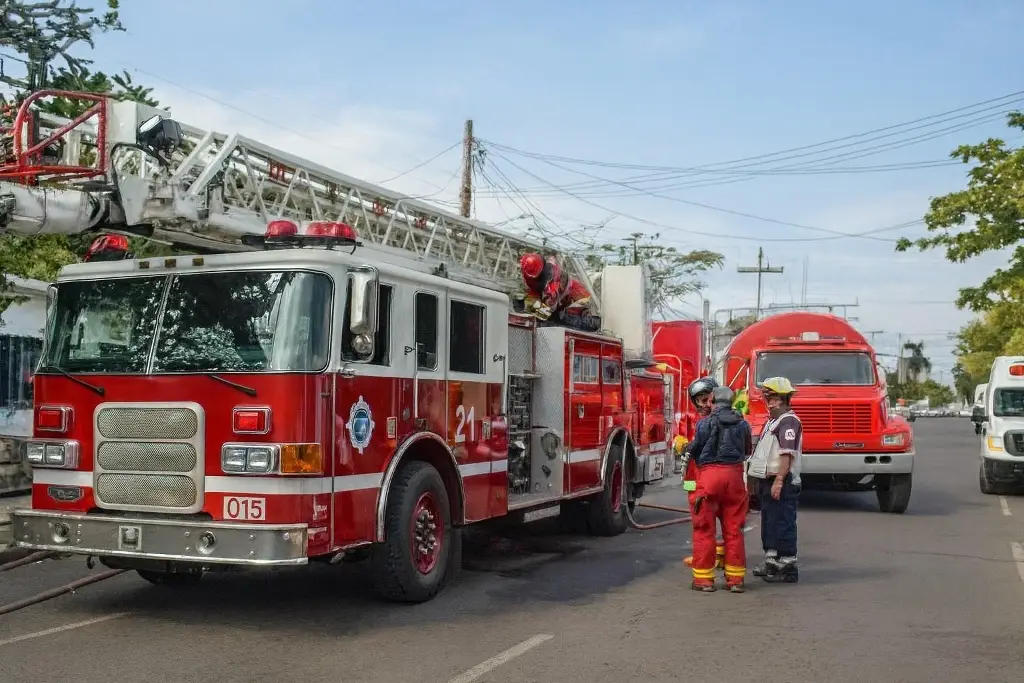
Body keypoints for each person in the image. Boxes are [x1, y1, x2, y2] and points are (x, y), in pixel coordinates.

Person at [687, 385, 752, 593]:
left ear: (713, 401)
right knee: (734, 530)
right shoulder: (743, 424)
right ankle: (736, 580)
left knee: (704, 529)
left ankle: (704, 581)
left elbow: (695, 451)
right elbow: (747, 450)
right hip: (734, 478)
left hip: (709, 477)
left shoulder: (704, 424)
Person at [746, 376, 802, 583]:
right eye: (768, 397)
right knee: (770, 522)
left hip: (783, 481)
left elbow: (787, 454)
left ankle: (787, 566)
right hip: (768, 480)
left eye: (775, 398)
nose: (770, 402)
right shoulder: (774, 421)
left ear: (786, 398)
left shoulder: (789, 421)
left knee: (783, 523)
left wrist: (779, 480)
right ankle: (772, 563)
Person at [679, 376, 717, 569]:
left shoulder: (718, 419)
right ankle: (706, 554)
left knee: (711, 518)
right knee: (698, 516)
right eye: (699, 399)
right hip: (692, 475)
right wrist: (679, 444)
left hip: (709, 473)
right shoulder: (690, 418)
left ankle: (708, 557)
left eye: (706, 398)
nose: (703, 403)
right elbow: (680, 437)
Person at [518, 252, 599, 331]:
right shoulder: (544, 267)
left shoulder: (552, 288)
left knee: (555, 322)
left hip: (579, 310)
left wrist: (529, 306)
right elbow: (533, 292)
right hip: (567, 304)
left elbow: (546, 314)